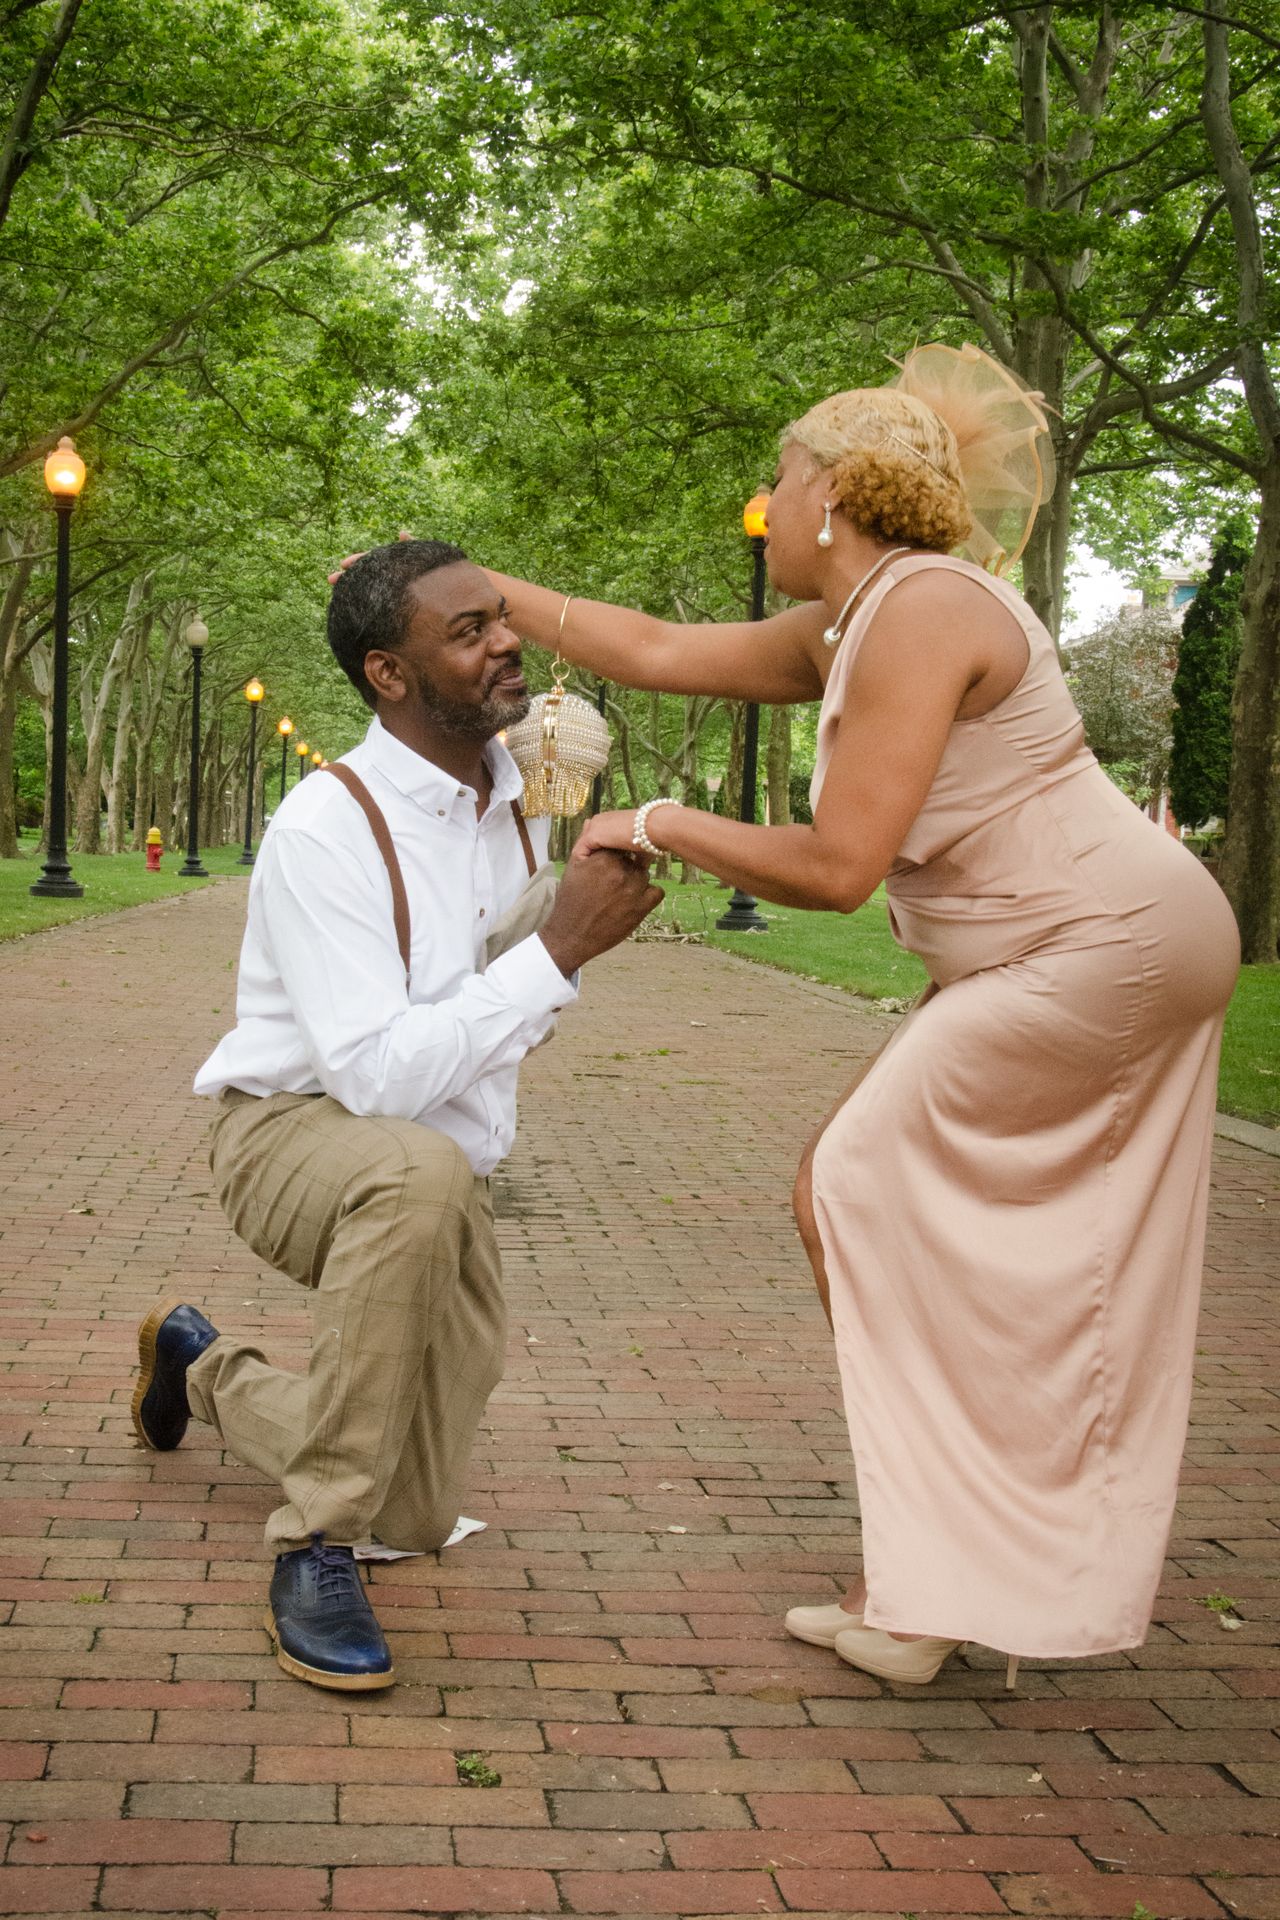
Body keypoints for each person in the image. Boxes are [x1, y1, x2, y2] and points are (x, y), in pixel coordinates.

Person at [478, 343, 1241, 1687]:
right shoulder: (859, 616)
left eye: (777, 478)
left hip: (1099, 943)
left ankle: (929, 1586)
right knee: (890, 1206)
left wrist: (658, 819)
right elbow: (648, 647)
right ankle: (939, 1578)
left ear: (831, 490)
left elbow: (838, 867)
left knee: (854, 1183)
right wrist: (470, 583)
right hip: (1069, 945)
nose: (764, 505)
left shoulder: (925, 609)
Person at [130, 539, 661, 1693]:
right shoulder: (326, 826)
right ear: (388, 674)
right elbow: (373, 1076)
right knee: (415, 1173)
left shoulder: (515, 806)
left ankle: (201, 1365)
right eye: (468, 632)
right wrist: (559, 951)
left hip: (441, 1166)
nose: (508, 642)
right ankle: (313, 1549)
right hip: (290, 1134)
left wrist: (571, 918)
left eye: (502, 617)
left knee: (413, 1509)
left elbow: (493, 1011)